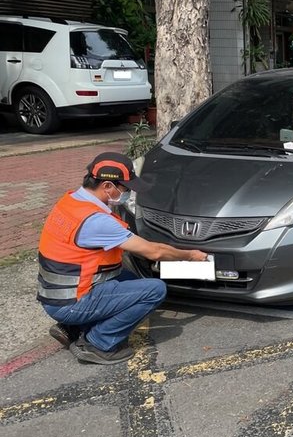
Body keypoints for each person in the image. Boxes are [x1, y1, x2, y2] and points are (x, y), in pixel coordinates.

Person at [37, 152, 208, 365]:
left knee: (130, 279)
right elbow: (153, 252)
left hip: (57, 295)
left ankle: (72, 328)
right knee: (154, 290)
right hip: (69, 302)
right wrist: (190, 256)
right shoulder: (96, 221)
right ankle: (99, 343)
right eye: (125, 188)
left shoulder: (71, 201)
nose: (127, 193)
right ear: (108, 186)